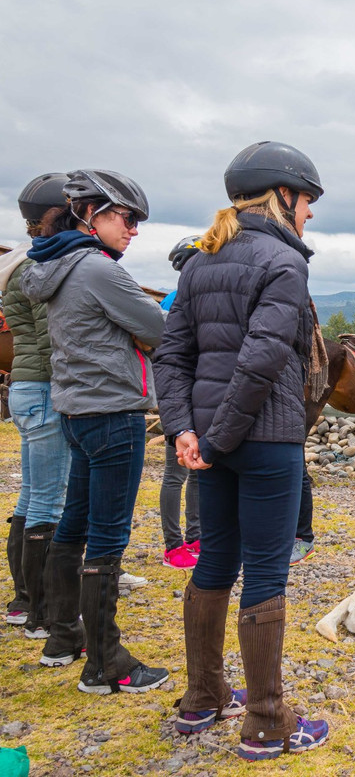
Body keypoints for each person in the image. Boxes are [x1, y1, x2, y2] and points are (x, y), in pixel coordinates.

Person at [155, 140, 329, 760]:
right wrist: (219, 435)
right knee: (264, 571)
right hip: (263, 441)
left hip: (211, 443)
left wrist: (186, 431)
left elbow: (171, 356)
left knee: (214, 561)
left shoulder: (199, 263)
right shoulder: (284, 263)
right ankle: (266, 721)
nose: (309, 214)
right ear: (283, 195)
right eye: (307, 201)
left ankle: (202, 698)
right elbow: (260, 361)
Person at [21, 169, 169, 693]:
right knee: (108, 539)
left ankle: (62, 636)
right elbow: (158, 330)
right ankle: (107, 664)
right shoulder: (99, 270)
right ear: (92, 214)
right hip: (114, 416)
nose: (134, 230)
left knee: (73, 527)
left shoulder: (57, 264)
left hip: (78, 413)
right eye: (127, 218)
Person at [1, 173, 71, 637]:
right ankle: (37, 607)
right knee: (49, 498)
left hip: (26, 387)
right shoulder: (42, 268)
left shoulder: (21, 264)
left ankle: (24, 597)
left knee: (31, 494)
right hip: (46, 387)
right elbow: (58, 334)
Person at [158, 237, 203, 570]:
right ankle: (173, 544)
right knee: (175, 474)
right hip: (182, 396)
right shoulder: (173, 302)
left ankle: (195, 537)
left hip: (202, 394)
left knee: (197, 471)